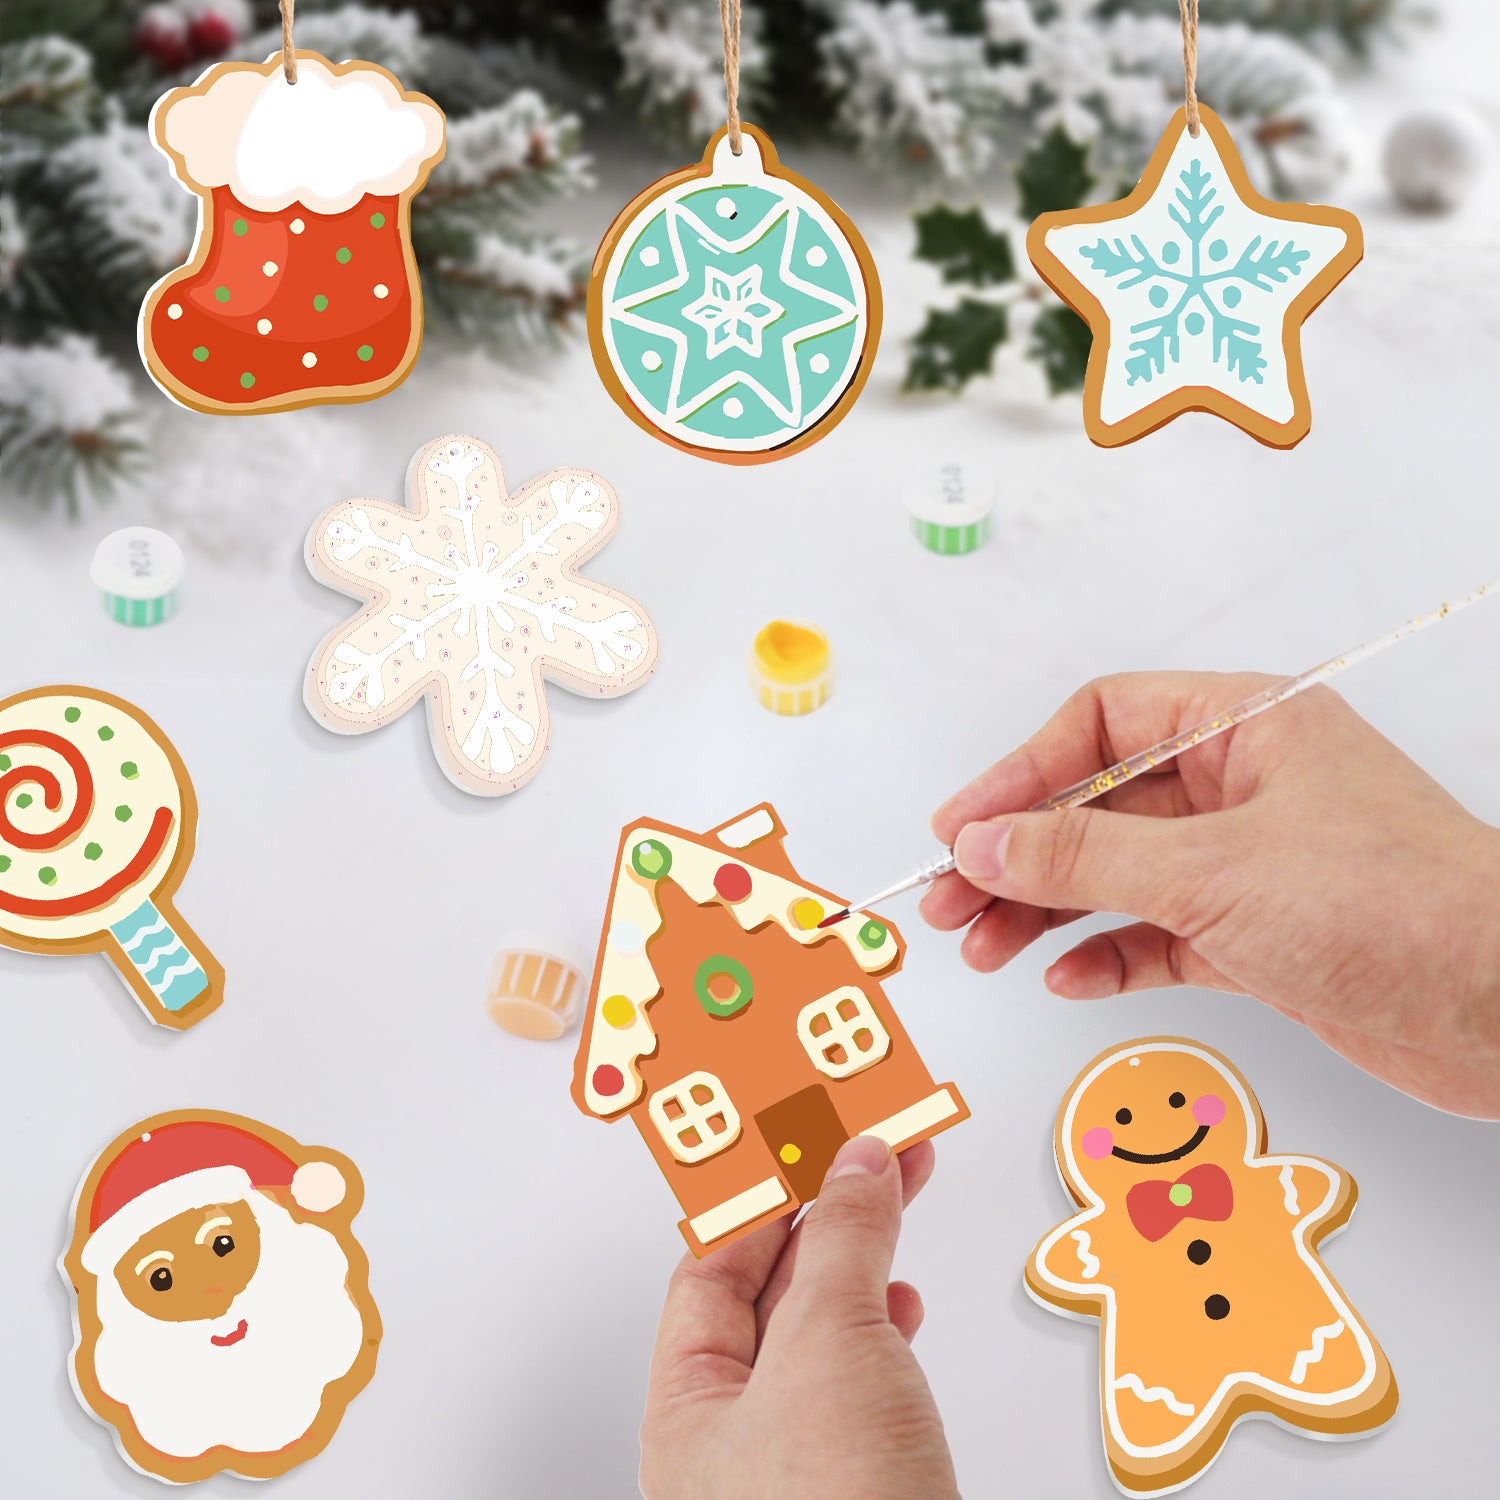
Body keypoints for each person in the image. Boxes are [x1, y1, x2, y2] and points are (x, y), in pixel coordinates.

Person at [639, 674, 1500, 1499]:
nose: (1153, 1122)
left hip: (1304, 1333)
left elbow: (1285, 1194)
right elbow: (1082, 1257)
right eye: (1123, 1121)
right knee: (1166, 1390)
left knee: (1320, 1357)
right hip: (1171, 1365)